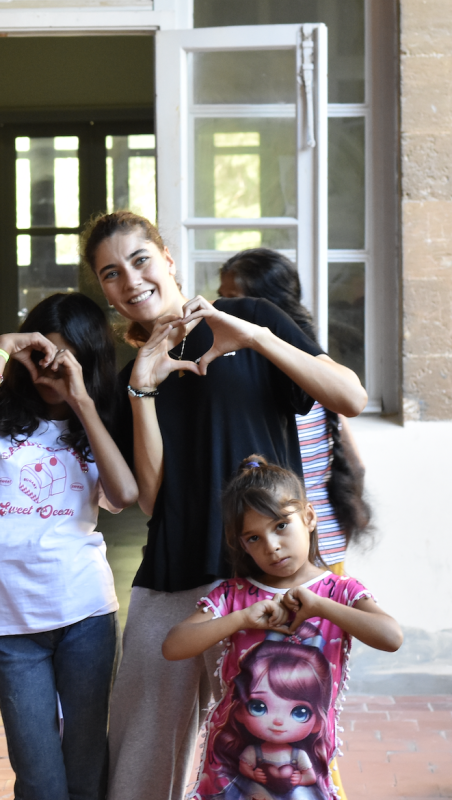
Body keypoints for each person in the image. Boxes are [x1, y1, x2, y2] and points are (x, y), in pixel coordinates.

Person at [84, 211, 367, 799]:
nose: (131, 280)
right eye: (111, 273)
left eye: (140, 260)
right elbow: (155, 499)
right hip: (175, 576)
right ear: (104, 290)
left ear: (168, 259)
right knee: (140, 761)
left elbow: (351, 396)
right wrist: (142, 388)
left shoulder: (252, 317)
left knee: (274, 759)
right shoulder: (126, 373)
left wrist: (255, 336)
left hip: (268, 576)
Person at [0, 293, 138, 800]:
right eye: (39, 356)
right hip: (14, 626)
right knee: (38, 777)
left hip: (86, 614)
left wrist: (82, 400)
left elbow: (125, 494)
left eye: (65, 359)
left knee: (85, 766)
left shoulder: (94, 427)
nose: (48, 370)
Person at [161, 456, 400, 800]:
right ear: (241, 545)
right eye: (253, 538)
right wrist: (241, 619)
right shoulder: (234, 595)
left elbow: (391, 637)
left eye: (281, 526)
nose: (271, 545)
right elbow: (174, 646)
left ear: (309, 517)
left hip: (306, 780)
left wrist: (321, 607)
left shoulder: (340, 592)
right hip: (229, 778)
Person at [217, 249, 372, 572]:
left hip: (302, 552)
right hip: (297, 544)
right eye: (221, 298)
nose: (222, 310)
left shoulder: (294, 380)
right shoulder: (311, 370)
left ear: (266, 308)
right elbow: (357, 466)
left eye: (233, 299)